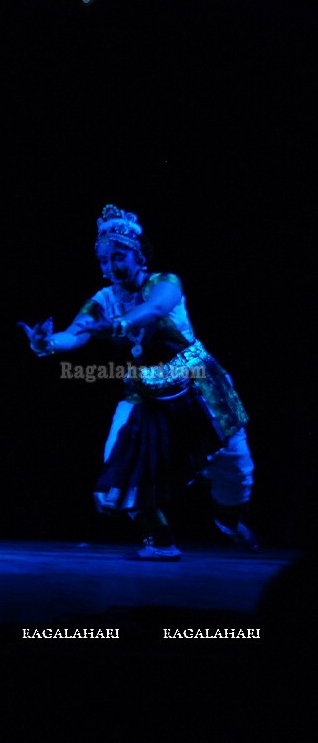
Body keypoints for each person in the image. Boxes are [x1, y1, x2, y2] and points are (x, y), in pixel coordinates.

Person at [20, 204, 257, 561]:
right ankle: (159, 540)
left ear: (139, 254)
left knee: (237, 472)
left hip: (199, 387)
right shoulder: (103, 300)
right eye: (103, 260)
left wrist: (117, 325)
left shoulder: (164, 282)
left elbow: (155, 310)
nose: (110, 267)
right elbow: (75, 334)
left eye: (119, 257)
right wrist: (47, 344)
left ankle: (229, 521)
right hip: (146, 392)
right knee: (121, 463)